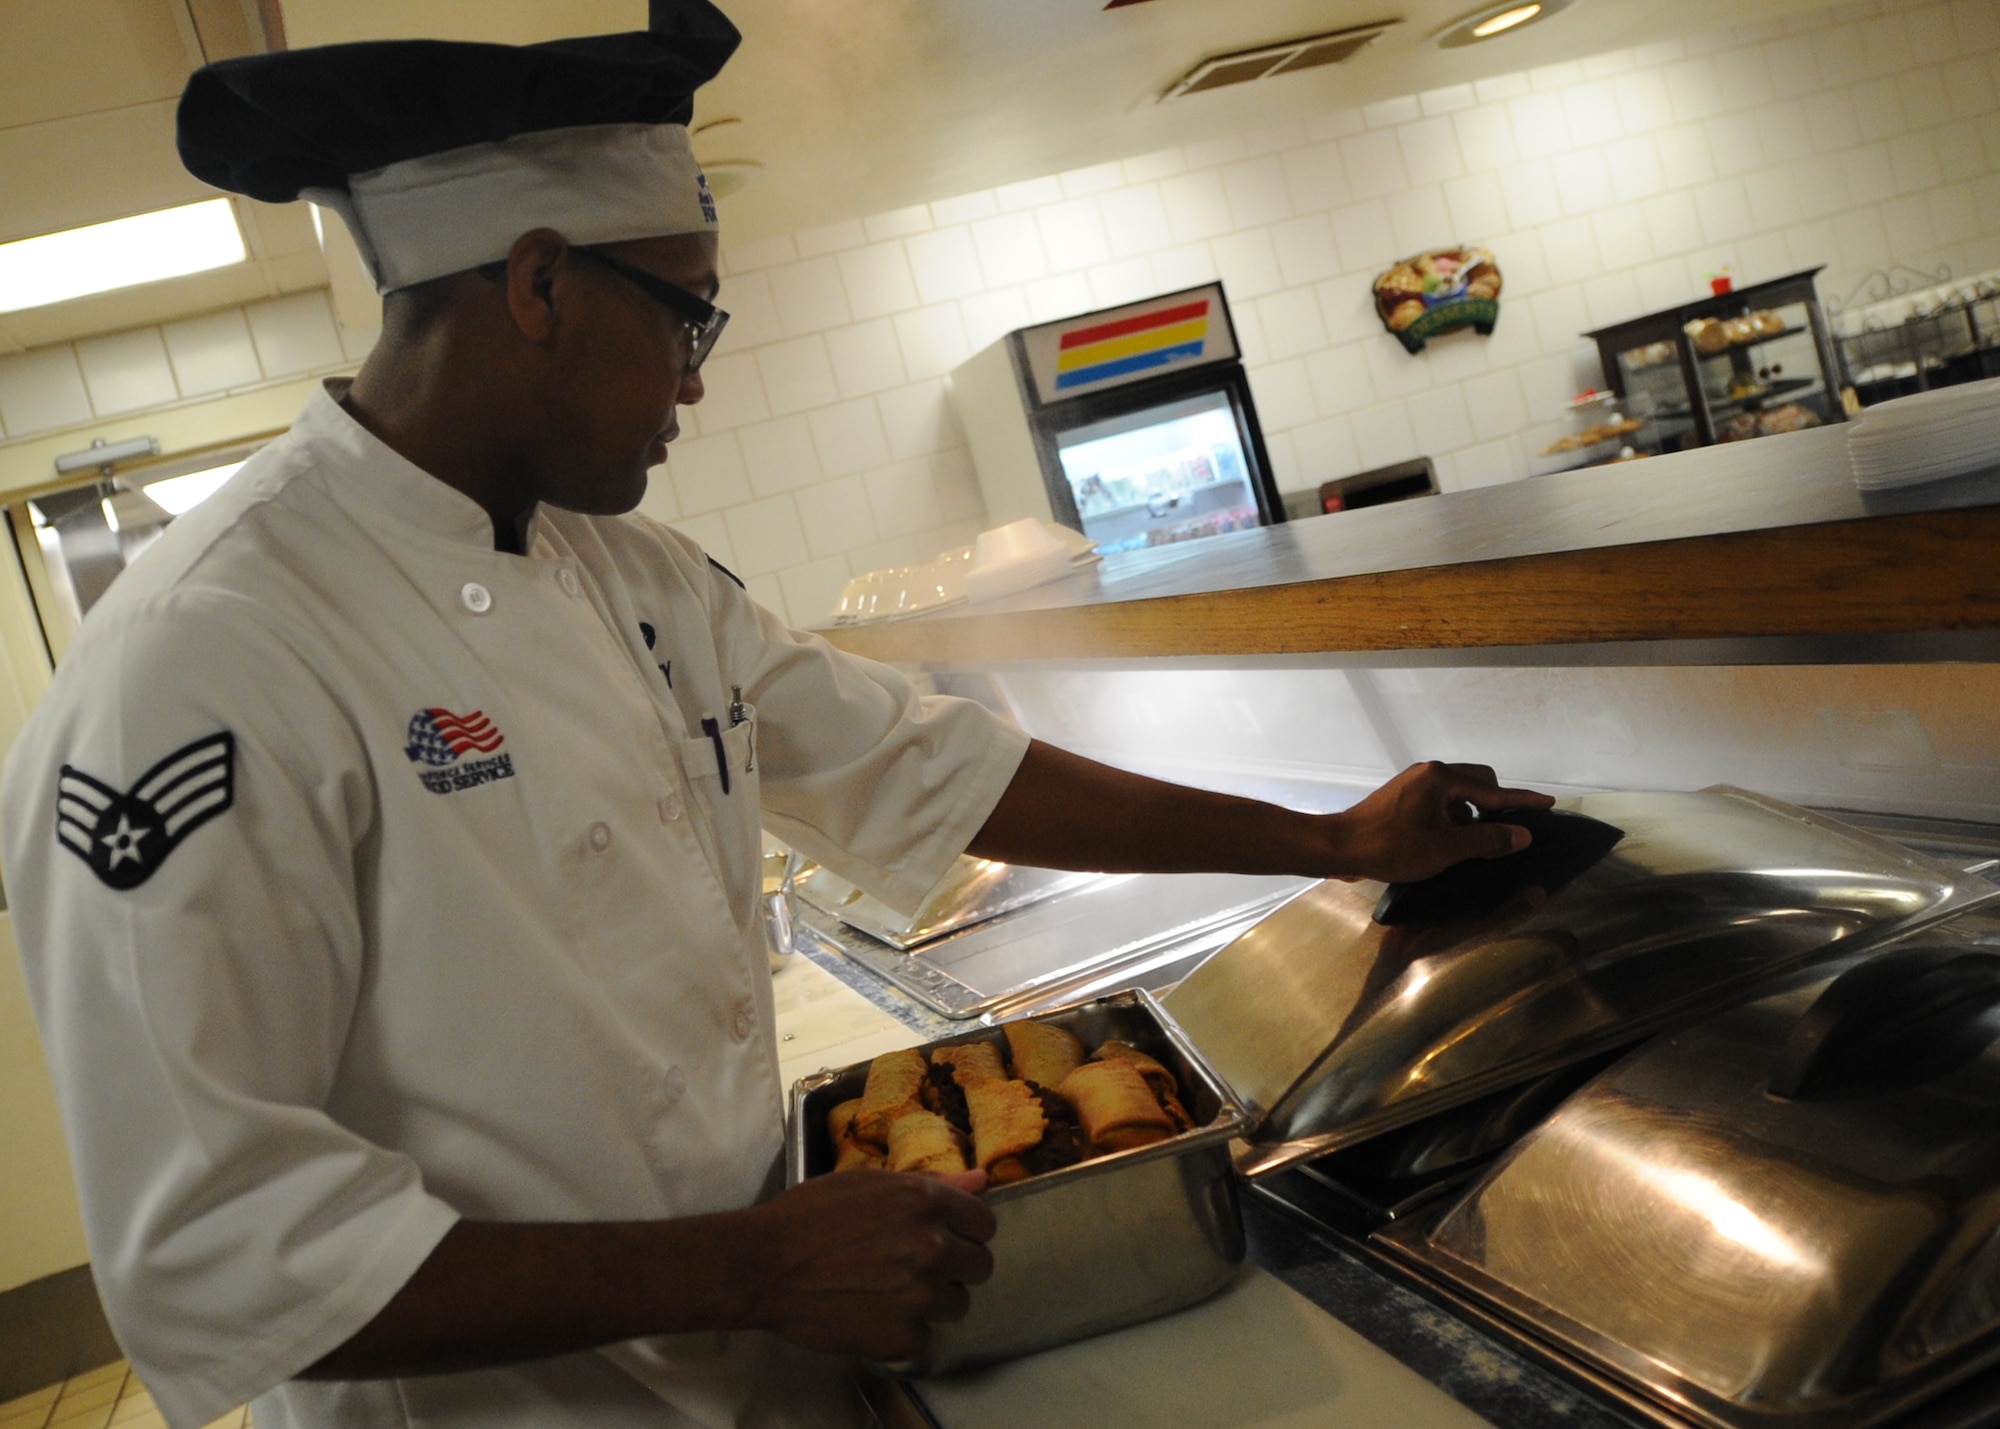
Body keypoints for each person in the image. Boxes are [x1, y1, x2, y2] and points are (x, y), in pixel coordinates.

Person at [0, 5, 1551, 1427]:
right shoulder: (205, 660)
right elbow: (208, 1255)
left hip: (768, 1365)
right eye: (690, 321)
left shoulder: (633, 571)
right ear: (538, 281)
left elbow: (934, 766)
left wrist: (1330, 837)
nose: (696, 383)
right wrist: (740, 1268)